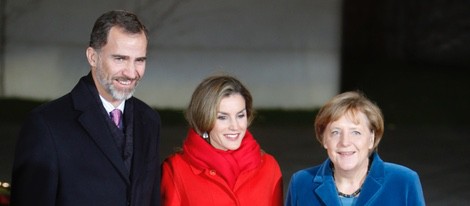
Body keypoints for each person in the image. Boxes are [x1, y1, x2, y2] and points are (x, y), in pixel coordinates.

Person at [11, 10, 161, 206]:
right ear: (92, 57)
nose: (131, 72)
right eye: (120, 59)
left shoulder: (149, 120)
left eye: (139, 60)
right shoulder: (46, 125)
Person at [161, 74, 283, 206]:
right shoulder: (175, 169)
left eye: (240, 115)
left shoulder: (269, 167)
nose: (235, 126)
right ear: (204, 119)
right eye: (222, 117)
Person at [285, 91, 425, 206]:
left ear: (371, 139)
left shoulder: (404, 181)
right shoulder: (302, 183)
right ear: (324, 139)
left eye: (355, 132)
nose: (345, 142)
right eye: (335, 132)